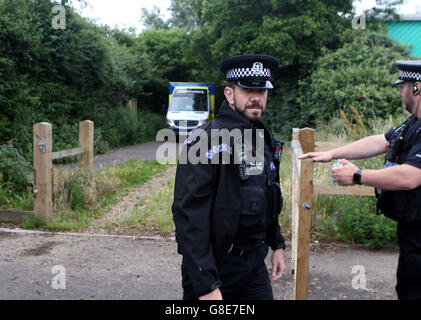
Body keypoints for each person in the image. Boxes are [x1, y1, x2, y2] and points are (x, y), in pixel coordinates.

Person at [299, 60, 421, 300]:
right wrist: (333, 153)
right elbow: (381, 141)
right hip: (412, 236)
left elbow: (411, 176)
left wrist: (357, 176)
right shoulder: (414, 123)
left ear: (416, 87)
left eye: (403, 86)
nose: (399, 92)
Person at [172, 54, 286, 300]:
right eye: (247, 90)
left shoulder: (261, 138)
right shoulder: (205, 141)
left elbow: (265, 195)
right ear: (230, 94)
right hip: (216, 266)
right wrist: (206, 285)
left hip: (255, 265)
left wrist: (276, 244)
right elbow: (189, 216)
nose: (256, 97)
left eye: (262, 90)